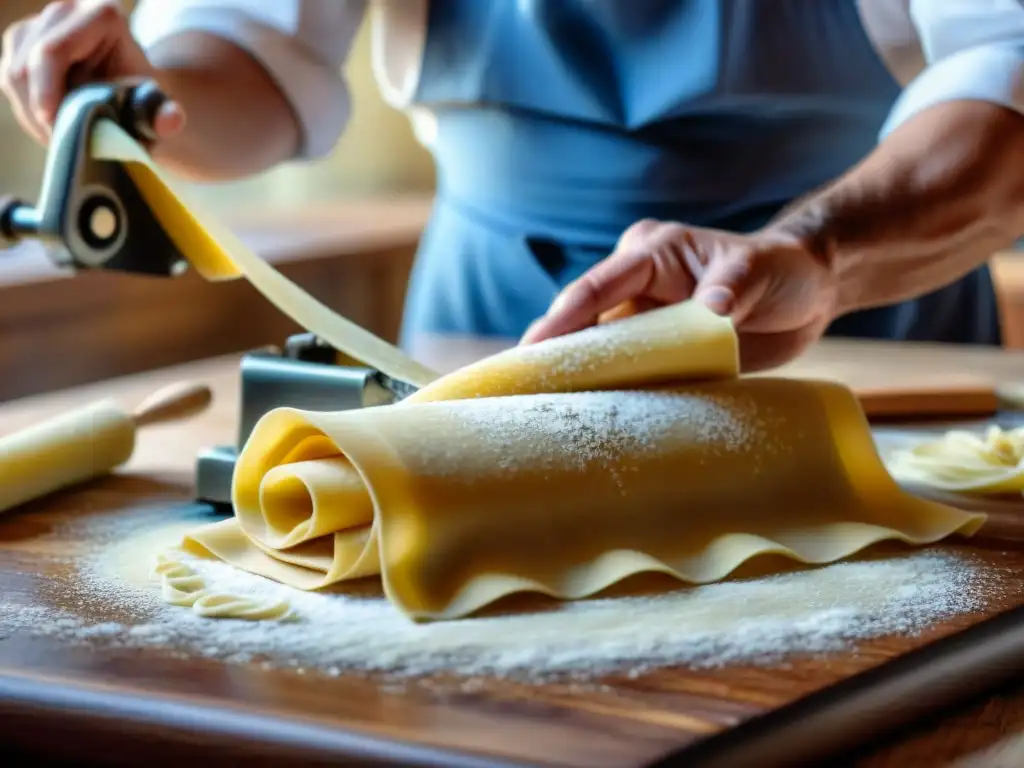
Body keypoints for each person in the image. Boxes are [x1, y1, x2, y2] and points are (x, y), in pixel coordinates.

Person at [3, 1, 1024, 372]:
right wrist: (146, 91)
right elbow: (253, 58)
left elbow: (1006, 78)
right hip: (490, 329)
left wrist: (816, 257)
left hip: (859, 328)